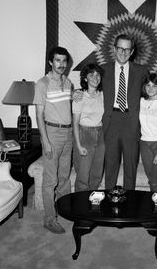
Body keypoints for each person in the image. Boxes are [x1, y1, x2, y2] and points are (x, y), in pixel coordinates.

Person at [33, 46, 73, 234]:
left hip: (68, 134)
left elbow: (67, 107)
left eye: (64, 61)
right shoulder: (42, 83)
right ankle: (49, 219)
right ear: (50, 62)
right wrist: (45, 140)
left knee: (64, 178)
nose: (61, 64)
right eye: (57, 60)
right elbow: (39, 115)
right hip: (52, 134)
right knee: (51, 180)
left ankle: (65, 212)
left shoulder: (68, 82)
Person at [101, 34, 149, 190]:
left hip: (131, 122)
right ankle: (109, 198)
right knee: (110, 164)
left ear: (132, 51)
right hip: (110, 121)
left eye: (127, 49)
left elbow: (152, 92)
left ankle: (129, 203)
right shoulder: (103, 70)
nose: (123, 52)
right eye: (120, 48)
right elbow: (90, 88)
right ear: (114, 49)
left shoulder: (141, 71)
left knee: (130, 166)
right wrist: (77, 93)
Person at [72, 63, 105, 192]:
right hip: (84, 134)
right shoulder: (79, 96)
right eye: (91, 74)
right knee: (83, 177)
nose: (95, 77)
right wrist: (78, 146)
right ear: (85, 78)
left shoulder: (102, 95)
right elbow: (75, 123)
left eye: (98, 75)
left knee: (96, 175)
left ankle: (93, 205)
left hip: (101, 134)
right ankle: (80, 208)